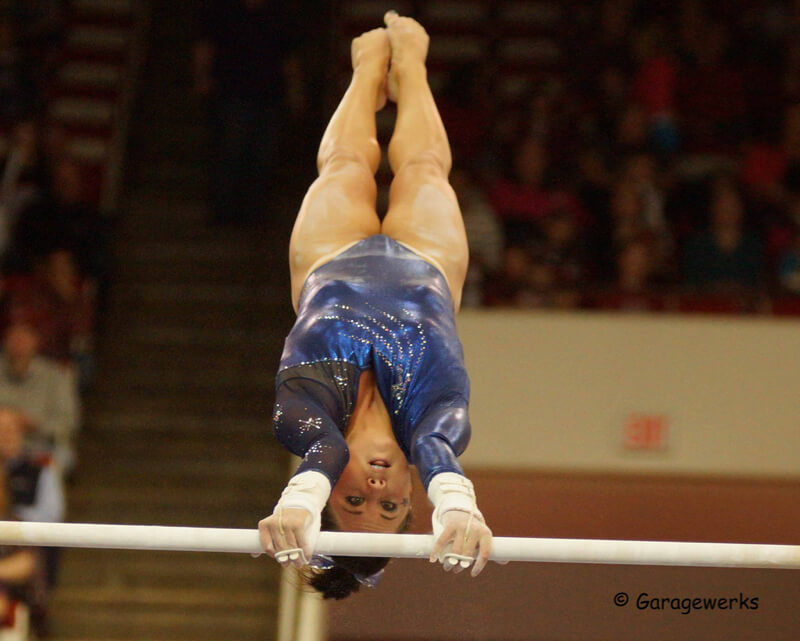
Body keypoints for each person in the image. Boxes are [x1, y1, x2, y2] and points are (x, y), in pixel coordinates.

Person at [257, 14, 494, 599]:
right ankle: (411, 63)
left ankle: (366, 67)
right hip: (426, 265)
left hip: (328, 260)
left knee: (343, 167)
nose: (376, 484)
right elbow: (440, 453)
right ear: (414, 491)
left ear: (329, 487)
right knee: (423, 169)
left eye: (355, 499)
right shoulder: (433, 418)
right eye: (391, 504)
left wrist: (300, 500)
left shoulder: (304, 413)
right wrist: (458, 508)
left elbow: (327, 447)